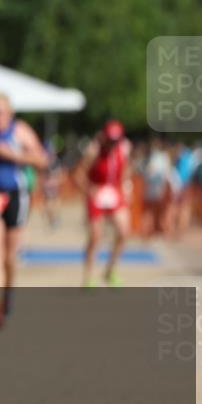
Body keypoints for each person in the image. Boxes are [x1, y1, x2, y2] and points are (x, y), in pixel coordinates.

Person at [0, 93, 48, 329]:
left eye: (2, 112)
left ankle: (7, 294)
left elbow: (42, 160)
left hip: (15, 196)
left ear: (10, 113)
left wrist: (13, 154)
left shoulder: (19, 130)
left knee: (9, 257)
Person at [74, 120, 133, 287]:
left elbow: (126, 171)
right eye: (110, 140)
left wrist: (126, 188)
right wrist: (89, 190)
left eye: (116, 140)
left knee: (123, 232)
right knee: (95, 236)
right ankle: (88, 276)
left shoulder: (123, 150)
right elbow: (79, 174)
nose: (113, 144)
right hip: (97, 194)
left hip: (114, 193)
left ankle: (110, 270)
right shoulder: (94, 151)